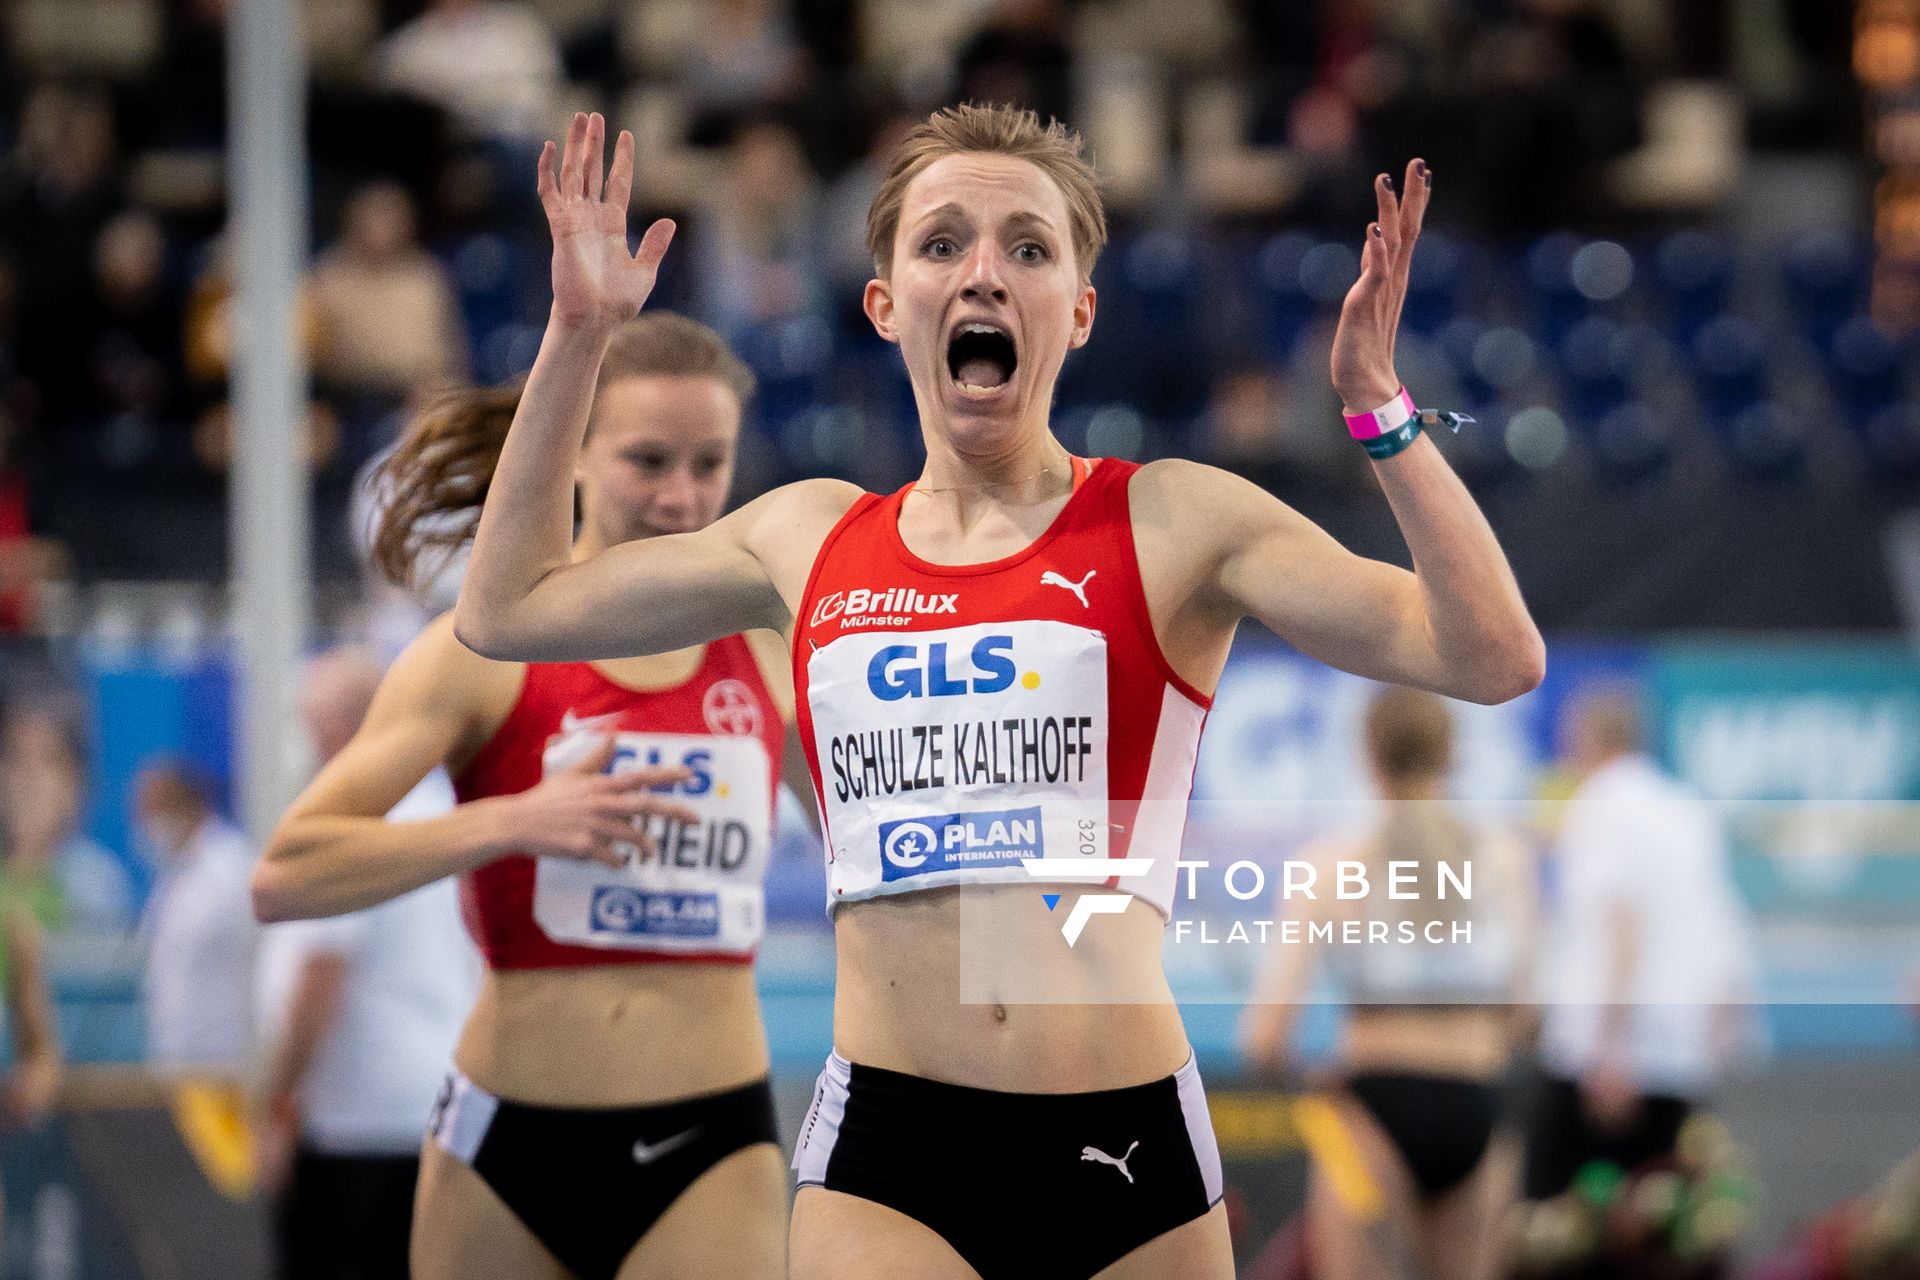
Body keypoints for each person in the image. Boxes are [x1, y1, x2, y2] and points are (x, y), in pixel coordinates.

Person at [456, 104, 1544, 1279]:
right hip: (893, 1154)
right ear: (885, 303)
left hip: (1128, 1147)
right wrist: (577, 335)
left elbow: (1490, 655)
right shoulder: (804, 537)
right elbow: (505, 606)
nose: (984, 272)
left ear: (1078, 309)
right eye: (942, 244)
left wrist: (1381, 409)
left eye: (1028, 247)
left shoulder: (1176, 519)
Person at [252, 311, 799, 1280]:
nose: (683, 495)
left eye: (709, 463)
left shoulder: (770, 647)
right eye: (649, 460)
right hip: (506, 1143)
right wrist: (516, 819)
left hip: (708, 1135)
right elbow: (285, 875)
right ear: (575, 452)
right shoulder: (479, 656)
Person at [1239, 686, 1536, 1280]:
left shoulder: (1332, 865)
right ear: (1451, 755)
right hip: (1476, 1103)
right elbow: (1527, 1017)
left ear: (1366, 756)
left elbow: (1265, 1037)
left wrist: (1308, 1076)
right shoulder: (1505, 860)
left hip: (1372, 1111)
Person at [256, 649, 479, 1280]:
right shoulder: (448, 811)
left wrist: (276, 1099)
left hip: (356, 1123)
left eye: (313, 723)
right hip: (438, 1108)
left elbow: (319, 983)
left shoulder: (352, 824)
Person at [1525, 684, 1757, 1202]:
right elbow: (1721, 925)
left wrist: (1611, 1049)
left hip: (1608, 1059)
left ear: (1586, 739)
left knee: (1552, 1220)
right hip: (1678, 1057)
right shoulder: (1686, 809)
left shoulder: (1602, 805)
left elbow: (1621, 925)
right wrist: (1718, 1027)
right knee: (1660, 1234)